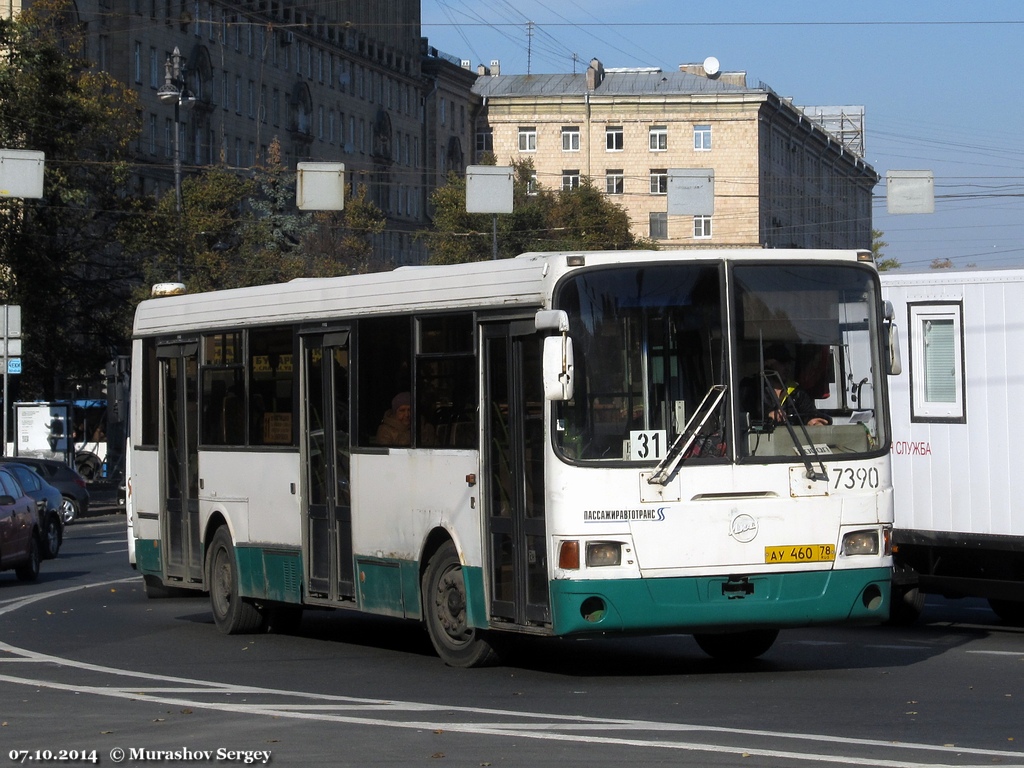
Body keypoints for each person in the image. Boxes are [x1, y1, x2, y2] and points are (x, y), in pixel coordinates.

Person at [756, 344, 832, 427]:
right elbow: (749, 412)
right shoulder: (752, 388)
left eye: (789, 363)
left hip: (792, 439)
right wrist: (768, 414)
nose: (787, 367)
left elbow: (809, 412)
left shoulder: (797, 392)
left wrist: (813, 421)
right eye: (782, 363)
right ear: (768, 364)